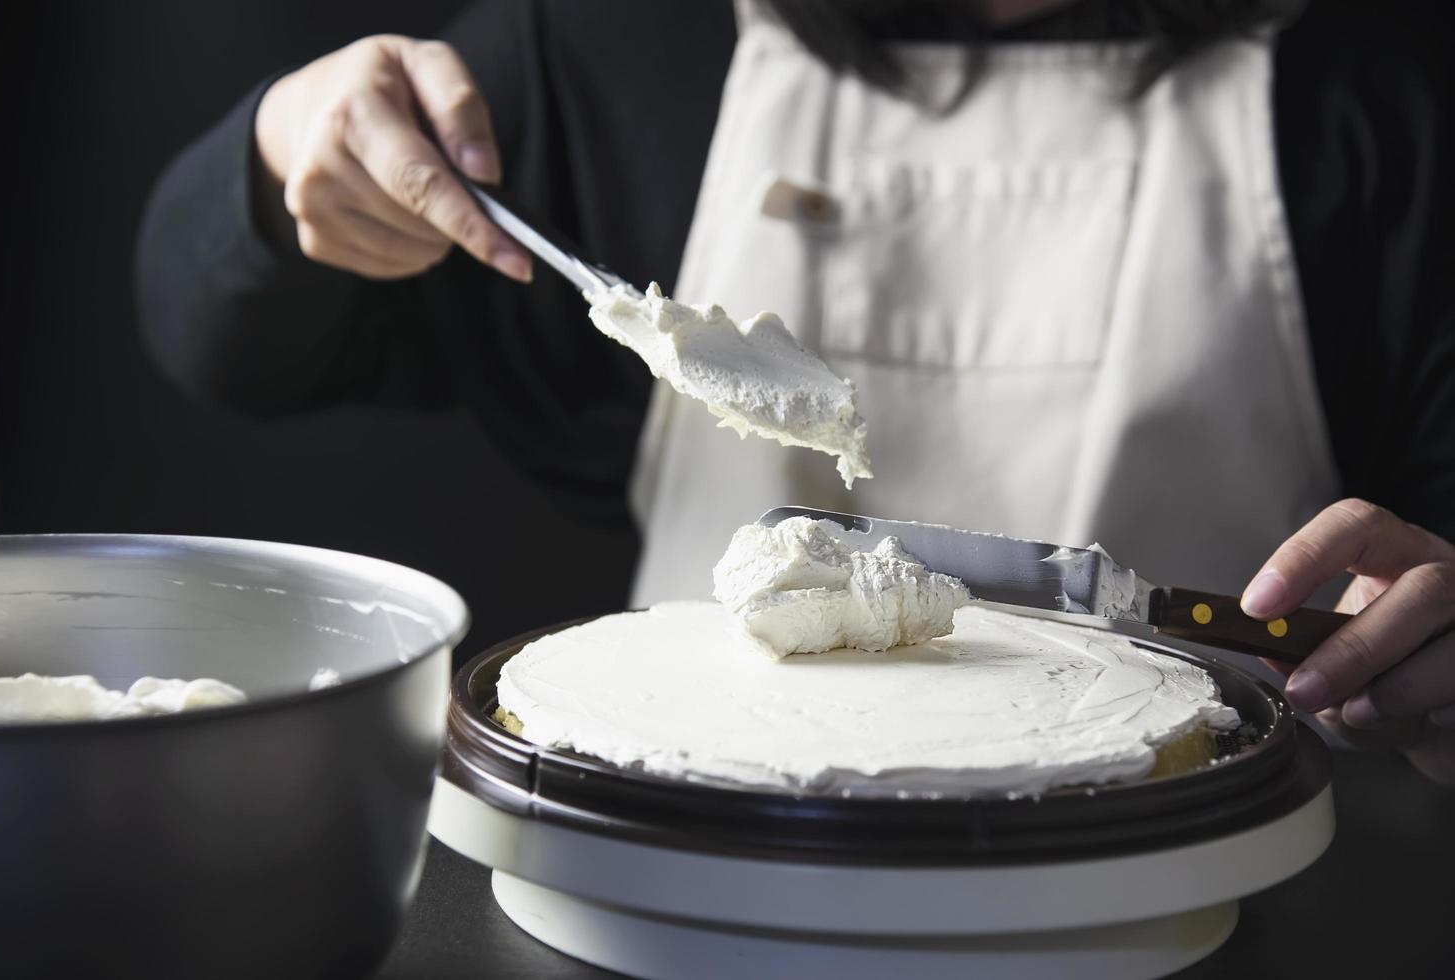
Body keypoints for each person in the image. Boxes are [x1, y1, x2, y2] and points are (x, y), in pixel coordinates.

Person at [136, 0, 1454, 784]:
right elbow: (227, 346)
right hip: (683, 889)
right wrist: (281, 155)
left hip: (1214, 898)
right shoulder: (610, 51)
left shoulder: (1385, 82)